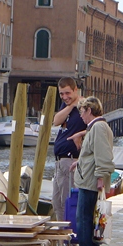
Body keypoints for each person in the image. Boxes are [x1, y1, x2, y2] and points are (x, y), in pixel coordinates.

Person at [70, 96, 114, 246]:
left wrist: (101, 177)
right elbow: (92, 152)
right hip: (89, 178)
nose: (81, 116)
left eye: (82, 112)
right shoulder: (97, 127)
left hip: (90, 181)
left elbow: (102, 154)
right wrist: (79, 162)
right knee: (92, 217)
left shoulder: (98, 128)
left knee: (84, 216)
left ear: (89, 110)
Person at [51, 77, 87, 221]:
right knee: (57, 204)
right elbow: (56, 121)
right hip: (59, 163)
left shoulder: (86, 105)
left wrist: (81, 134)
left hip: (71, 161)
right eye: (61, 94)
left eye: (68, 93)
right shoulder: (67, 106)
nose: (65, 97)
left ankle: (70, 241)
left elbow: (99, 126)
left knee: (68, 203)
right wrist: (71, 106)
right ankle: (63, 240)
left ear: (75, 90)